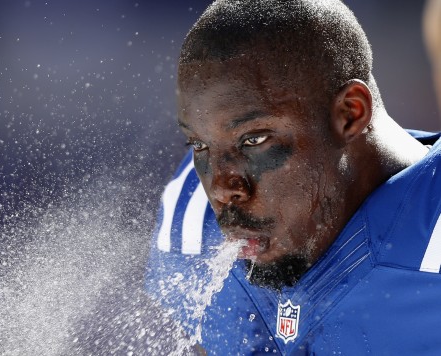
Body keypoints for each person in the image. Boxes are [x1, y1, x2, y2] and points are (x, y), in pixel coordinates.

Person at [145, 0, 441, 354]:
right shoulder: (193, 220)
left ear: (349, 113)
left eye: (253, 140)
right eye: (200, 145)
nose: (223, 189)